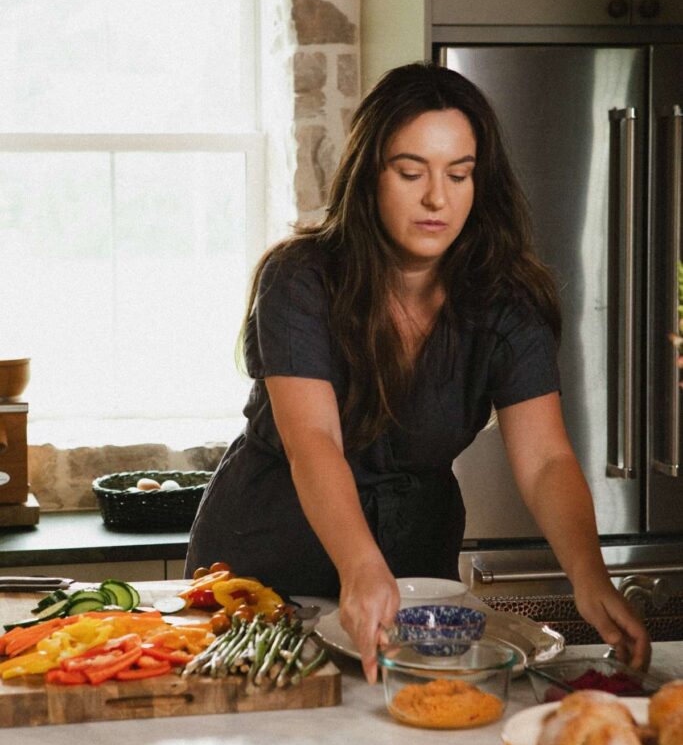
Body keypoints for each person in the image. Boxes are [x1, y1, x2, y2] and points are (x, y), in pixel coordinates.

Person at [186, 61, 650, 681]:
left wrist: (590, 579)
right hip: (269, 561)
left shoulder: (507, 301)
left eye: (459, 174)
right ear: (369, 176)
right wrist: (360, 565)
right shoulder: (300, 279)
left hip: (415, 566)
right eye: (412, 173)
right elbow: (314, 441)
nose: (438, 197)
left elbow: (546, 461)